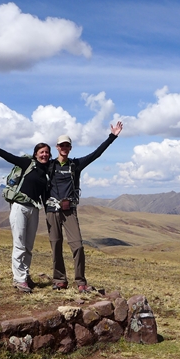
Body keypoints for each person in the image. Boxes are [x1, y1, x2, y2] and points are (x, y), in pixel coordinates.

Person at [46, 122, 123, 292]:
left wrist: (112, 137)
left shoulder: (76, 165)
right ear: (57, 147)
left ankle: (80, 282)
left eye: (67, 145)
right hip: (52, 210)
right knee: (55, 244)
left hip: (69, 210)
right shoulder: (49, 165)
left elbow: (96, 154)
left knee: (78, 245)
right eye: (61, 145)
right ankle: (60, 280)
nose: (64, 148)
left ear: (70, 148)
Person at [0, 137, 51, 293]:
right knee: (19, 244)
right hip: (19, 207)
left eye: (47, 152)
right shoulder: (27, 164)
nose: (44, 155)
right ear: (35, 154)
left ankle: (25, 276)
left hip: (34, 209)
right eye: (41, 152)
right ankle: (19, 279)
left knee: (28, 246)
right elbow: (8, 157)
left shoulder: (47, 172)